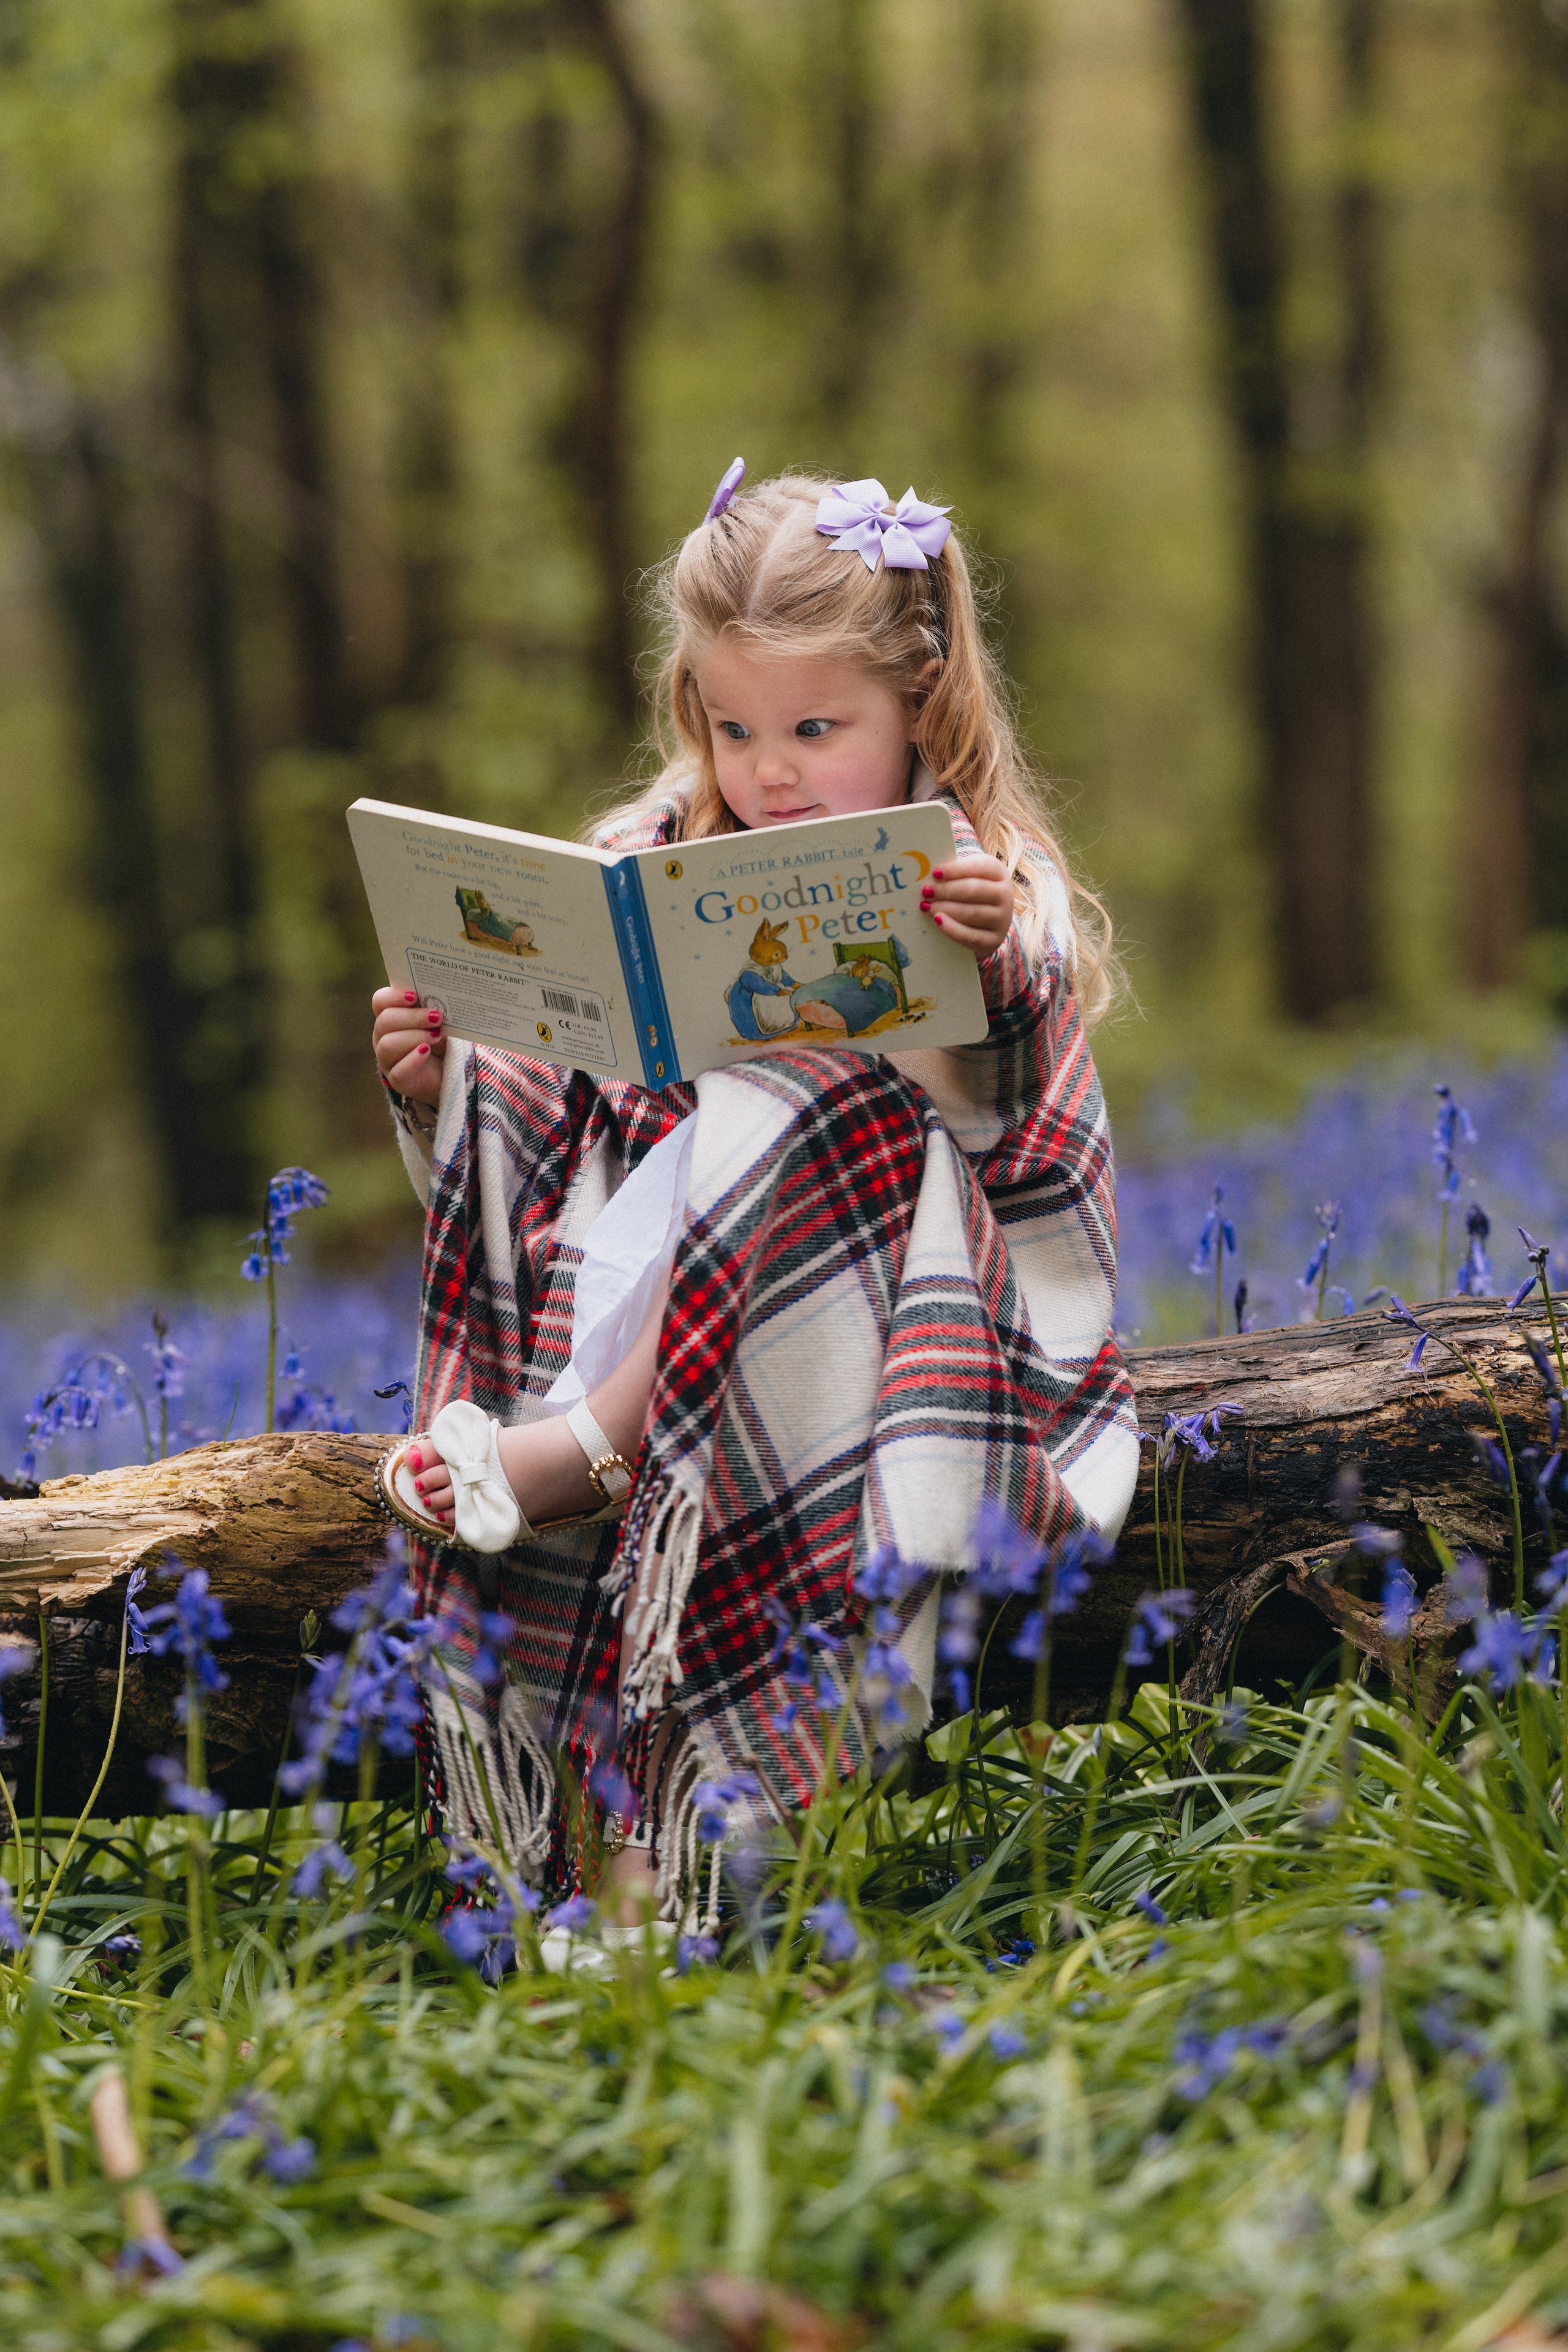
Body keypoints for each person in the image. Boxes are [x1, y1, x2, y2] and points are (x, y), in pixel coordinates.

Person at [369, 466, 1139, 1936]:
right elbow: (580, 1093)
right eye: (732, 729)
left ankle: (586, 1458)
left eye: (811, 729)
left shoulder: (978, 876)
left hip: (891, 1314)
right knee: (534, 1055)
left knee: (810, 1090)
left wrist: (988, 976)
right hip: (658, 1264)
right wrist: (434, 1083)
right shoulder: (651, 854)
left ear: (919, 701)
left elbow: (1020, 1136)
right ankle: (607, 1871)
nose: (767, 771)